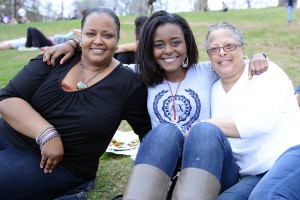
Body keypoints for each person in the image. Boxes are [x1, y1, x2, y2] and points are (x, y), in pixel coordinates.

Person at [42, 10, 268, 199]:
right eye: (159, 44)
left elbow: (235, 60)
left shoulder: (207, 71)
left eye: (176, 42)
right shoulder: (137, 76)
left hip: (211, 166)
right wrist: (74, 44)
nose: (168, 50)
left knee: (205, 130)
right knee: (165, 131)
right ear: (149, 49)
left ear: (187, 44)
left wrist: (260, 54)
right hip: (165, 169)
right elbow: (101, 57)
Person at [0, 6, 151, 200]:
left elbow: (148, 134)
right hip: (8, 134)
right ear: (81, 37)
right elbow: (7, 97)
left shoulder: (129, 85)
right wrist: (47, 134)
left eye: (107, 35)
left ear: (117, 40)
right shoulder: (55, 58)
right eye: (91, 34)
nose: (98, 41)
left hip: (58, 165)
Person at [198, 21, 300, 199]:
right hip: (253, 175)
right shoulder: (211, 89)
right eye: (214, 49)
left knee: (265, 197)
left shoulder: (265, 72)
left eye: (229, 46)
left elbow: (260, 122)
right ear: (209, 56)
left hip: (291, 154)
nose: (222, 52)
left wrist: (205, 125)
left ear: (242, 50)